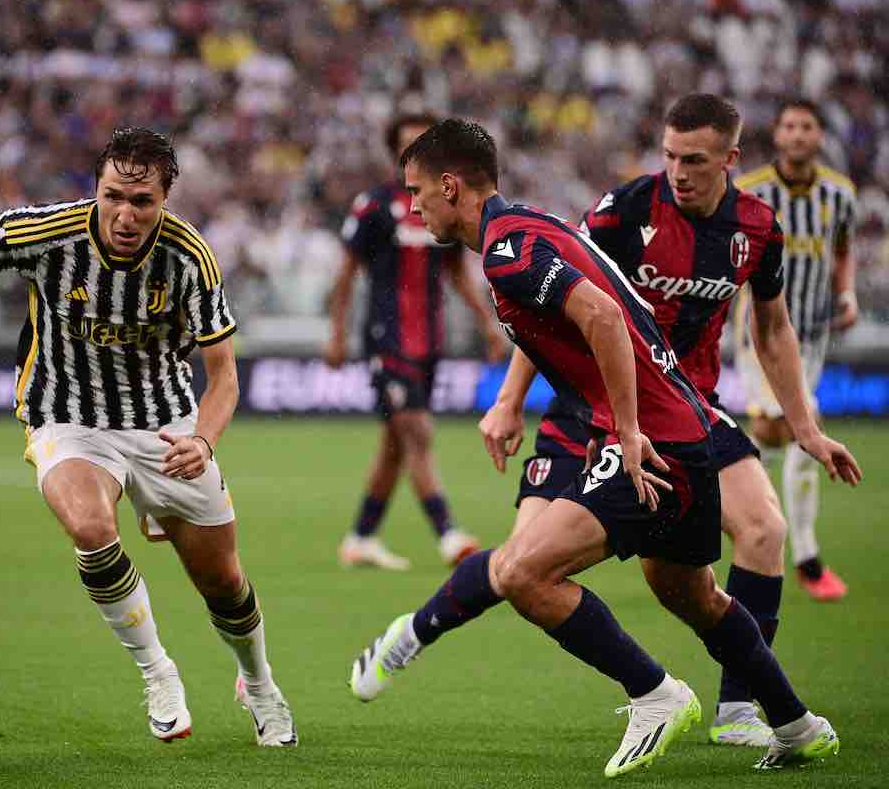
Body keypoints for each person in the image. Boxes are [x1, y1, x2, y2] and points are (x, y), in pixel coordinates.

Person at [349, 119, 858, 776]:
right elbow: (579, 319)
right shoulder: (527, 226)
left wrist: (623, 430)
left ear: (451, 186)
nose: (412, 206)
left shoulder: (508, 250)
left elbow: (604, 316)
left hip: (655, 439)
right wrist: (516, 405)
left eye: (417, 191)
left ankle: (655, 694)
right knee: (692, 594)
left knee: (524, 572)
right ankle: (797, 724)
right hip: (687, 431)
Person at [0, 128, 297, 747]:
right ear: (96, 189)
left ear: (165, 198)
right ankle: (158, 672)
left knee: (224, 583)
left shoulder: (191, 258)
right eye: (113, 196)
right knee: (91, 528)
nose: (125, 215)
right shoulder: (45, 233)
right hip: (66, 414)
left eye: (143, 201)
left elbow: (225, 377)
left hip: (165, 424)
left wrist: (204, 441)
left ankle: (258, 684)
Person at [483, 93, 840, 747]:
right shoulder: (624, 210)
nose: (678, 171)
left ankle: (740, 712)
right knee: (599, 571)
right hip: (613, 410)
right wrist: (509, 400)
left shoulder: (757, 227)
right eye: (670, 155)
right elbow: (554, 304)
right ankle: (689, 698)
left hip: (692, 409)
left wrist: (806, 426)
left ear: (729, 159)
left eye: (695, 160)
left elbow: (773, 327)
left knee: (763, 529)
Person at [326, 111, 503, 570]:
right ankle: (448, 533)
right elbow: (344, 276)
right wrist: (337, 334)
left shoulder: (440, 206)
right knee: (417, 432)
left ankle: (361, 537)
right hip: (388, 339)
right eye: (408, 144)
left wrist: (486, 322)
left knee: (395, 443)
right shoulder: (375, 206)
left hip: (430, 340)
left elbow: (458, 274)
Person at [733, 98, 858, 601]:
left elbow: (843, 247)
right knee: (798, 426)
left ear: (820, 136)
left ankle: (752, 526)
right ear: (778, 135)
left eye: (808, 125)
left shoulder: (840, 194)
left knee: (782, 434)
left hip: (812, 335)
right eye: (789, 125)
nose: (798, 134)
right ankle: (802, 555)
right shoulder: (750, 193)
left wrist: (845, 293)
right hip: (760, 334)